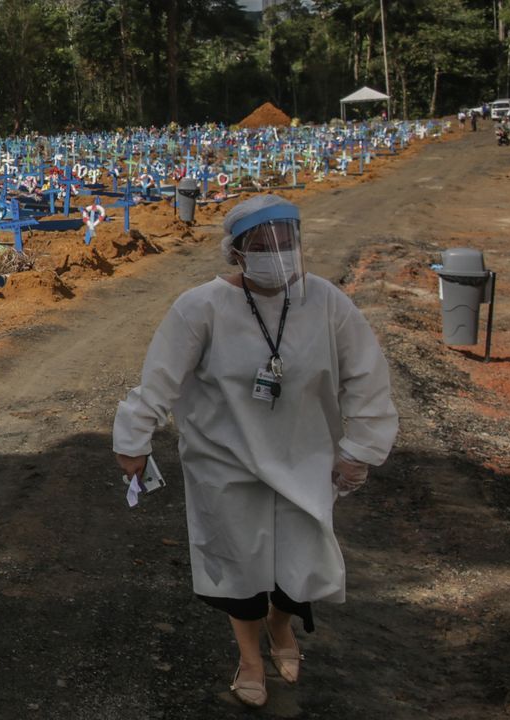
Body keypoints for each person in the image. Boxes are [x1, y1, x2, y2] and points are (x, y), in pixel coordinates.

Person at [112, 194, 399, 708]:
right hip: (225, 460)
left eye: (285, 240)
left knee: (301, 563)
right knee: (238, 565)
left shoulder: (327, 302)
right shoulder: (200, 307)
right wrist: (134, 440)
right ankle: (248, 657)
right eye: (262, 243)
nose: (276, 251)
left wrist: (360, 447)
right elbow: (159, 379)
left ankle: (281, 626)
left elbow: (367, 377)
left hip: (303, 455)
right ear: (237, 251)